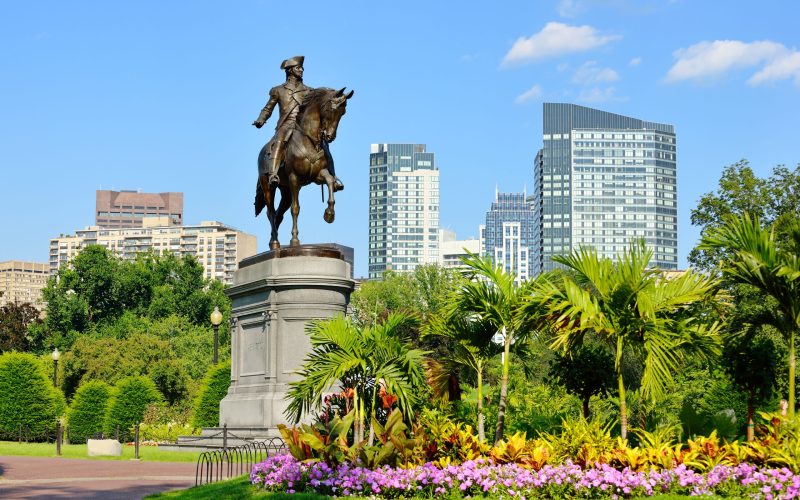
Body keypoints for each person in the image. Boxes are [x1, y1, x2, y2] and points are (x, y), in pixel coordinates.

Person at [252, 56, 343, 190]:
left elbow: (319, 109)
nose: (301, 70)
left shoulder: (309, 91)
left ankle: (333, 178)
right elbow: (268, 108)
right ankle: (273, 174)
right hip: (286, 124)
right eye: (298, 68)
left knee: (324, 145)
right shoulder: (278, 90)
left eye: (302, 68)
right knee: (280, 140)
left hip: (304, 126)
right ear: (289, 70)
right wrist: (261, 119)